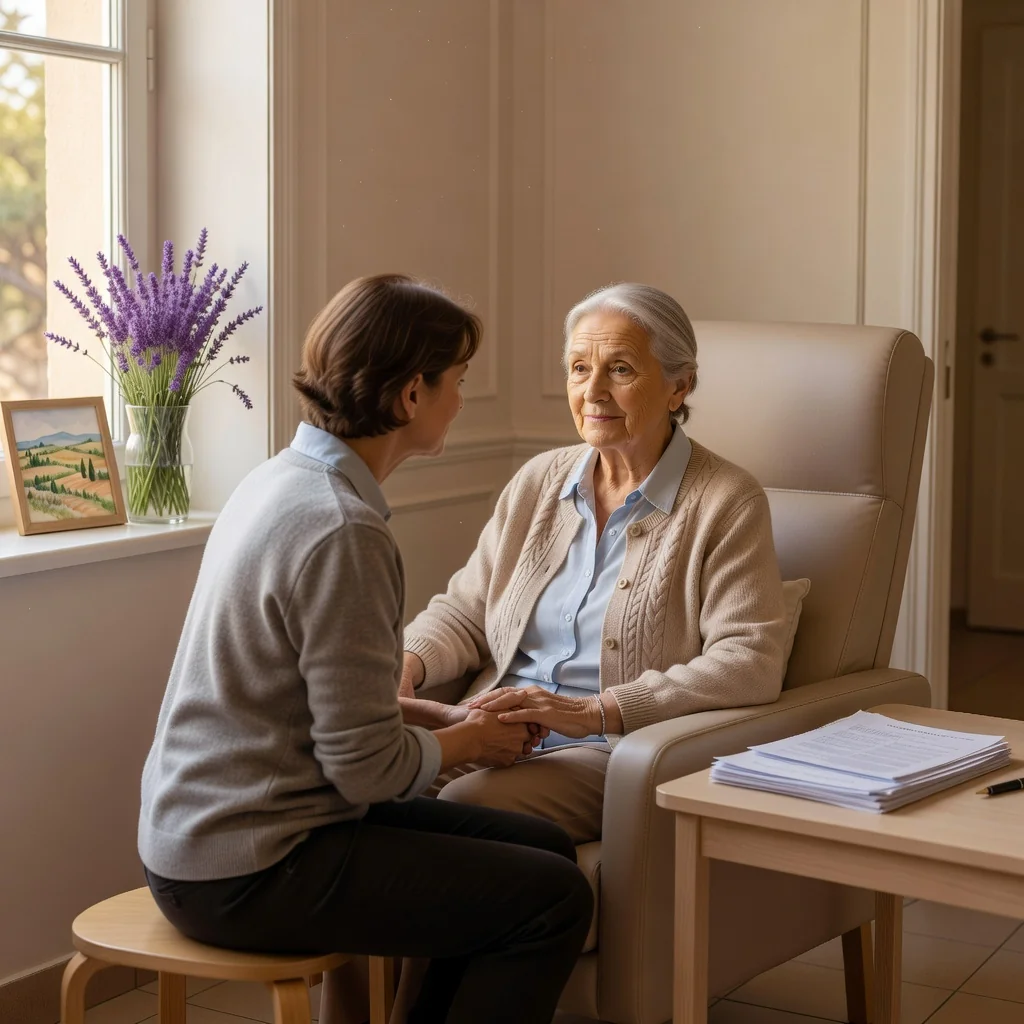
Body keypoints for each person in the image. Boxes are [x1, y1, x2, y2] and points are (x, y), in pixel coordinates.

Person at [138, 274, 593, 1024]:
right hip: (250, 866)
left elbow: (316, 705)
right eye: (459, 381)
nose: (460, 399)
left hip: (207, 837)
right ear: (413, 395)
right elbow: (363, 768)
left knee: (543, 850)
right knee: (551, 900)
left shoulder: (279, 481)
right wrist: (468, 743)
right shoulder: (343, 529)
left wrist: (448, 720)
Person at [401, 282, 788, 844]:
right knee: (361, 779)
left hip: (609, 749)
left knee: (464, 807)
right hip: (489, 727)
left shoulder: (726, 500)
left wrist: (592, 712)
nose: (593, 391)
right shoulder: (539, 481)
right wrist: (406, 668)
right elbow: (465, 612)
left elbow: (748, 658)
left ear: (680, 386)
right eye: (579, 369)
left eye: (621, 370)